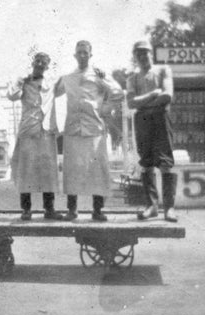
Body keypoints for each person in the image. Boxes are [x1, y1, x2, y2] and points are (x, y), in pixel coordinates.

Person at [55, 40, 124, 221]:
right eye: (79, 52)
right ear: (75, 55)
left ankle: (98, 210)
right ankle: (72, 210)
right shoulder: (68, 78)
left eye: (86, 52)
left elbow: (118, 92)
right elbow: (52, 92)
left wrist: (105, 108)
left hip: (94, 128)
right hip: (73, 129)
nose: (83, 55)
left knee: (98, 170)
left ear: (90, 55)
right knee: (72, 170)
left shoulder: (99, 75)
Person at [126, 40, 178, 222]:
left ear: (151, 53)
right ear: (135, 56)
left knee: (165, 162)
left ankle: (169, 208)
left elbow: (167, 95)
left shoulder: (163, 70)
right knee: (146, 162)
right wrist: (152, 94)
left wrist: (145, 101)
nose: (142, 56)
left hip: (160, 117)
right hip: (142, 120)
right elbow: (131, 102)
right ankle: (152, 206)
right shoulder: (132, 77)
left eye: (145, 52)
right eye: (138, 53)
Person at [6, 52, 63, 221]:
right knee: (26, 170)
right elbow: (11, 96)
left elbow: (70, 85)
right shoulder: (24, 82)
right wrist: (19, 81)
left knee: (49, 171)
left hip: (46, 131)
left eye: (43, 62)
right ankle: (26, 209)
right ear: (33, 63)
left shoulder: (51, 82)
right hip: (28, 130)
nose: (39, 64)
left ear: (47, 66)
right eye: (37, 61)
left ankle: (49, 209)